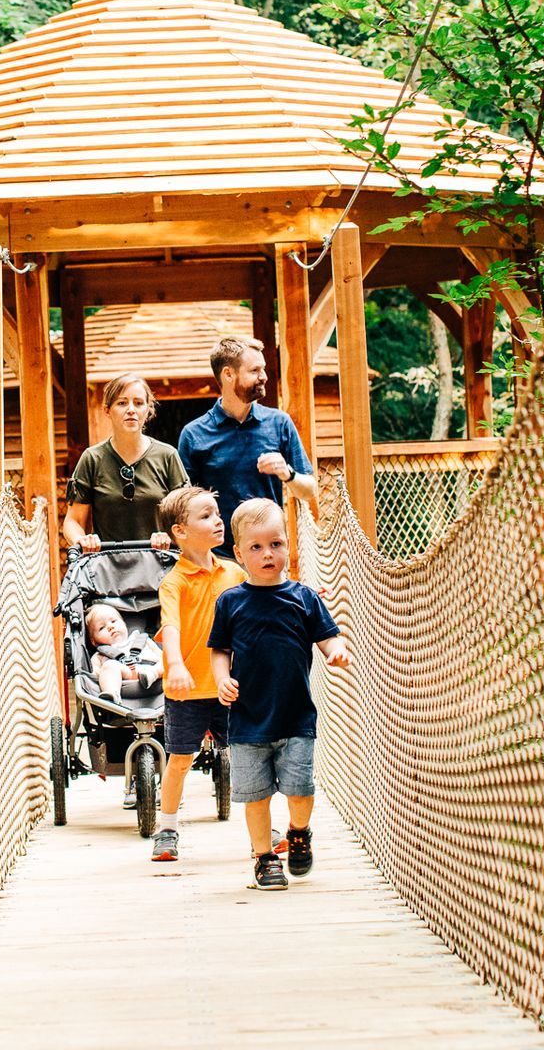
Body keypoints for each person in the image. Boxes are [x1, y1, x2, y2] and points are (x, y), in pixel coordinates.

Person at [209, 497, 350, 891]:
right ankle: (264, 857)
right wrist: (222, 679)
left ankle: (299, 832)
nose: (267, 554)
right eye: (256, 547)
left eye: (276, 544)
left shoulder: (304, 598)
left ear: (288, 545)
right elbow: (219, 650)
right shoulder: (231, 602)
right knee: (255, 797)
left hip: (295, 715)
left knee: (300, 789)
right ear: (239, 553)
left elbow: (327, 636)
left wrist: (335, 650)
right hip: (249, 719)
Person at [148, 485, 243, 863]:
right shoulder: (175, 582)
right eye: (206, 516)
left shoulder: (234, 573)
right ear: (180, 532)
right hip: (186, 690)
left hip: (230, 687)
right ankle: (167, 828)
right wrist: (176, 665)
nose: (218, 520)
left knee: (245, 755)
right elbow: (169, 627)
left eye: (217, 514)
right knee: (180, 760)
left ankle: (263, 824)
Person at [176, 337, 319, 558]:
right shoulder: (193, 434)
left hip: (268, 554)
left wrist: (287, 473)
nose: (264, 377)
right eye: (254, 370)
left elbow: (309, 490)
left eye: (263, 369)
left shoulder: (279, 423)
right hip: (218, 557)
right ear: (228, 374)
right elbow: (183, 503)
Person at [63, 374, 189, 552]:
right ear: (107, 410)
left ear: (147, 410)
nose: (131, 409)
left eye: (138, 403)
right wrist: (82, 540)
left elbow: (186, 516)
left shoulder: (167, 456)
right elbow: (73, 520)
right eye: (122, 403)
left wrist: (170, 535)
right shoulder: (92, 458)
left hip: (162, 564)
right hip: (108, 567)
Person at [84, 604, 161, 703]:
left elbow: (162, 656)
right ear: (93, 641)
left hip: (152, 671)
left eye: (113, 621)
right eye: (101, 628)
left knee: (168, 659)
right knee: (109, 666)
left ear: (124, 624)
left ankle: (152, 674)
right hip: (126, 674)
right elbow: (94, 677)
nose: (110, 627)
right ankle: (112, 694)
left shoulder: (142, 640)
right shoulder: (100, 655)